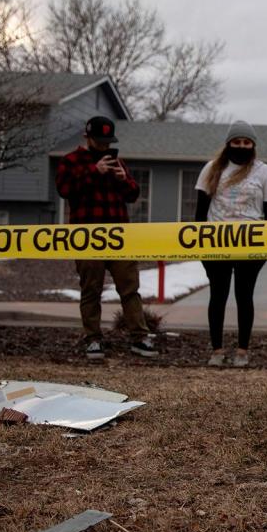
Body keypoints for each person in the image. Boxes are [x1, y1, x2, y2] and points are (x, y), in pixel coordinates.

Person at [55, 116, 159, 361]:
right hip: (87, 236)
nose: (103, 146)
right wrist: (94, 171)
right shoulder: (70, 161)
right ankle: (93, 340)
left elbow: (133, 195)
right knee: (91, 289)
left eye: (107, 141)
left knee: (130, 288)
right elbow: (65, 190)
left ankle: (139, 337)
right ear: (87, 137)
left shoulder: (117, 162)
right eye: (99, 141)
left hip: (119, 236)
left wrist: (123, 180)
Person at [194, 121, 267, 367]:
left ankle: (242, 351)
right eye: (237, 142)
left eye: (246, 142)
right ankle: (217, 351)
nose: (241, 146)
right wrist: (200, 245)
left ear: (253, 145)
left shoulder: (264, 173)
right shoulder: (211, 169)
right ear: (228, 144)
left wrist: (265, 249)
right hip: (216, 244)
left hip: (250, 246)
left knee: (244, 296)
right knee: (217, 296)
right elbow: (200, 213)